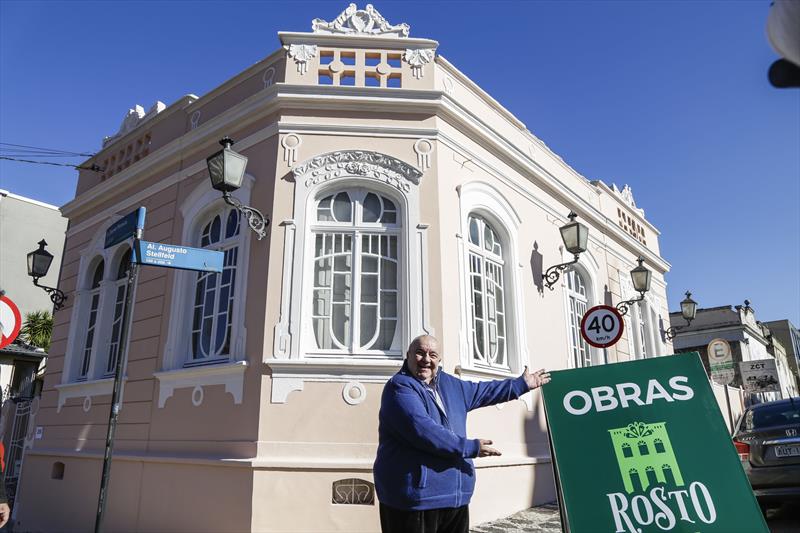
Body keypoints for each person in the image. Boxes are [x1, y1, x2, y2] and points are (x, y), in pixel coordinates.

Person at [373, 335, 551, 533]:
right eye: (420, 353)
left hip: (456, 497)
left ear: (439, 360)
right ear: (408, 356)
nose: (426, 359)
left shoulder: (451, 384)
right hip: (415, 500)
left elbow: (483, 391)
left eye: (433, 355)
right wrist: (471, 447)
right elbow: (422, 429)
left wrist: (521, 384)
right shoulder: (399, 387)